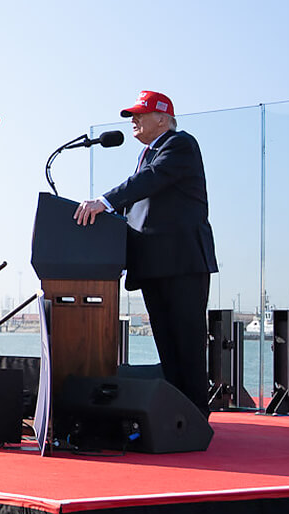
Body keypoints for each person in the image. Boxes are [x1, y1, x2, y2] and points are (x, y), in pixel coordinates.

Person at [73, 90, 217, 416]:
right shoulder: (147, 155)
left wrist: (104, 201)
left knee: (186, 342)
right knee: (167, 343)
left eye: (141, 114)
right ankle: (178, 412)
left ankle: (196, 416)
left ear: (163, 118)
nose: (134, 120)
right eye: (132, 115)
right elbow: (134, 203)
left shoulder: (179, 145)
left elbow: (150, 181)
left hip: (182, 264)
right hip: (153, 265)